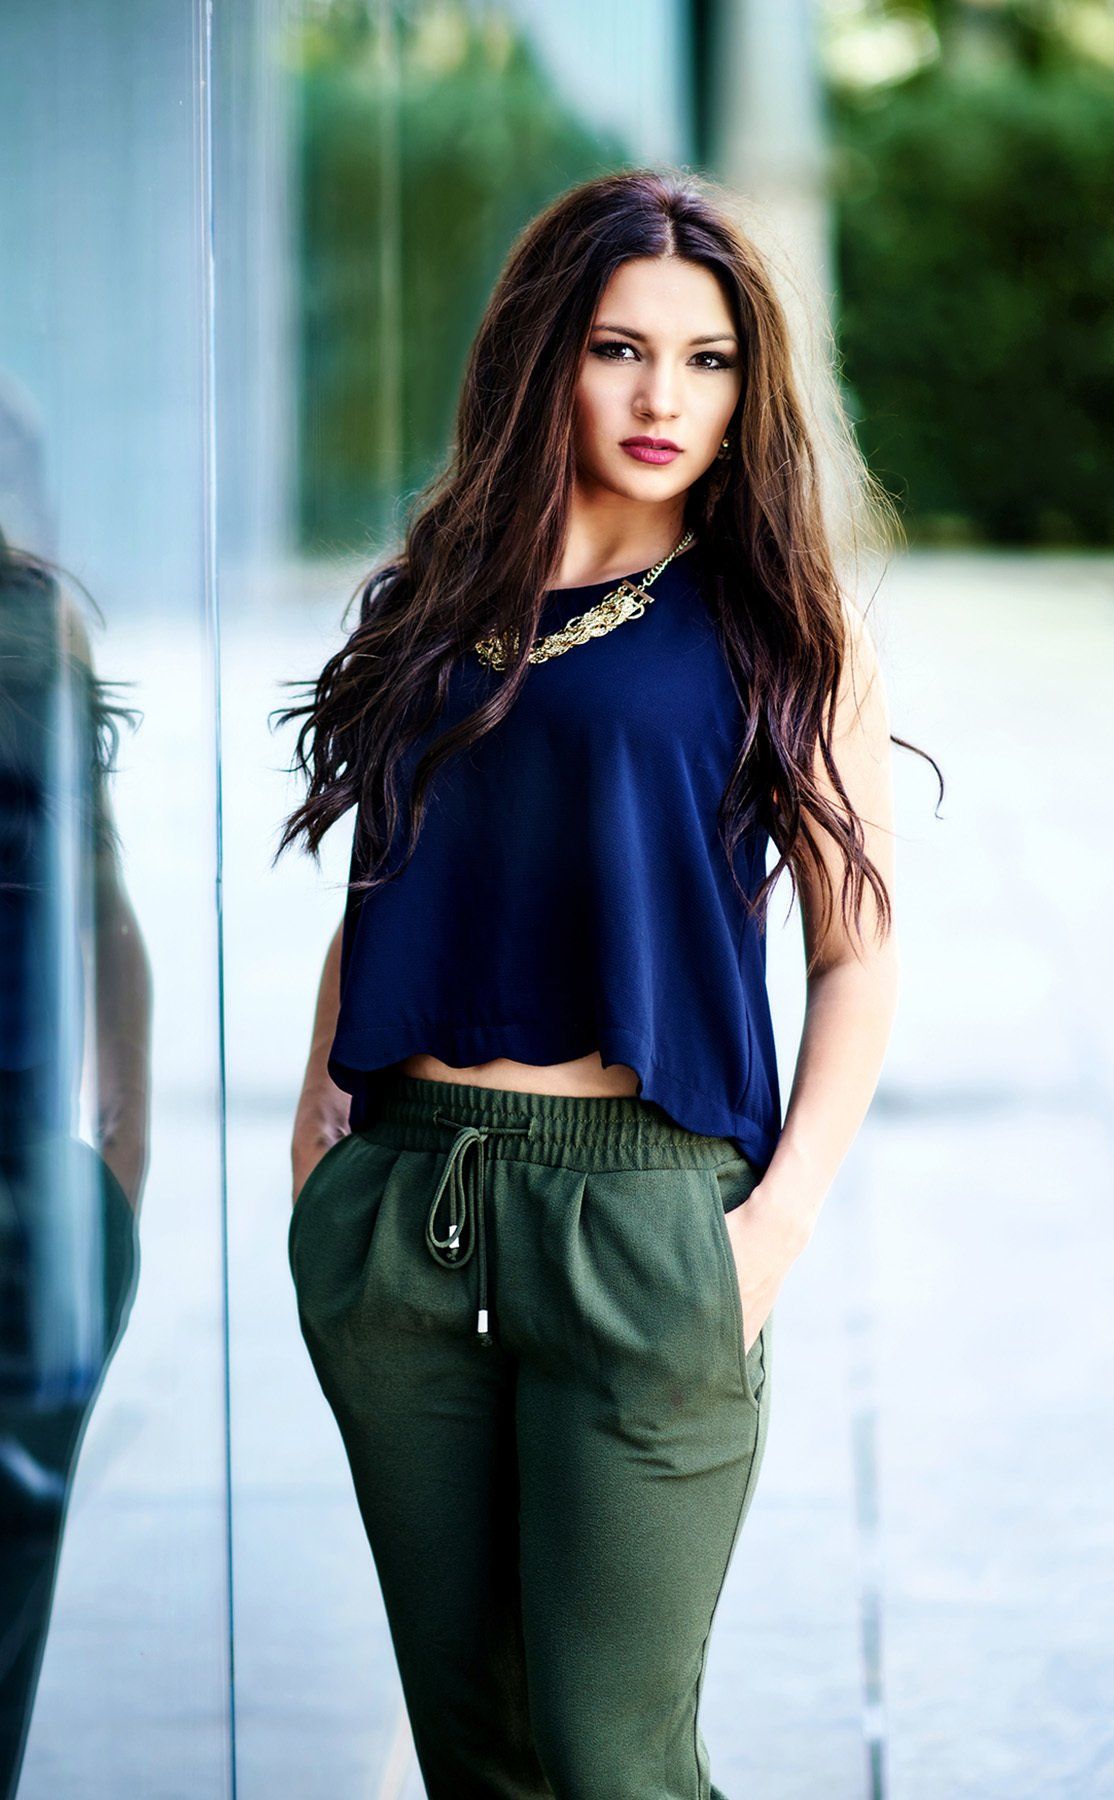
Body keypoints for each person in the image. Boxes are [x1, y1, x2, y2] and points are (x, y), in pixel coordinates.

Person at [273, 166, 933, 1800]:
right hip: (409, 1210)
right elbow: (390, 870)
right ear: (544, 357)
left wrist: (770, 1232)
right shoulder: (438, 600)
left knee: (613, 1757)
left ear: (749, 389)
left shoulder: (780, 626)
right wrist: (318, 1130)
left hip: (646, 1217)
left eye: (708, 361)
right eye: (621, 349)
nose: (663, 400)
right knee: (478, 1756)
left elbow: (857, 954)